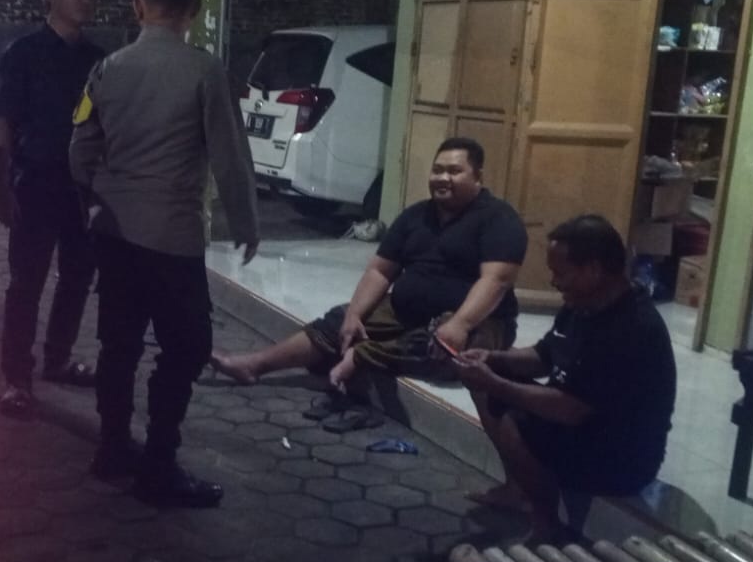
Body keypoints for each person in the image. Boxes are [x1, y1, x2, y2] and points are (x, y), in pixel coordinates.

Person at [69, 0, 259, 508]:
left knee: (119, 343)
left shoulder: (106, 69)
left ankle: (111, 448)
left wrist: (96, 201)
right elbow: (230, 157)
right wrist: (245, 222)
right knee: (187, 346)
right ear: (193, 9)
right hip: (173, 238)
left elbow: (79, 150)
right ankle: (158, 464)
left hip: (114, 234)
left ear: (138, 5)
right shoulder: (205, 71)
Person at [210, 138, 526, 409]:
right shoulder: (416, 215)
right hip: (405, 312)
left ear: (477, 176)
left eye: (454, 171)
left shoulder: (498, 218)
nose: (443, 178)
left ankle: (360, 357)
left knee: (442, 346)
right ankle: (254, 365)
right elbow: (380, 271)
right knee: (340, 321)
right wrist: (355, 314)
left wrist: (460, 323)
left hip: (476, 321)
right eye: (437, 170)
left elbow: (496, 280)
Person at [455, 215, 676, 543]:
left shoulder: (631, 328)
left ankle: (547, 525)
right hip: (586, 427)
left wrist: (496, 384)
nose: (554, 282)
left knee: (513, 412)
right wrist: (493, 358)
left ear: (593, 270)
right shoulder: (583, 304)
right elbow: (545, 356)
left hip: (622, 457)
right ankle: (518, 490)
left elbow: (571, 409)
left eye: (561, 273)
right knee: (492, 379)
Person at [0, 0, 105, 419]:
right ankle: (16, 378)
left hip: (82, 190)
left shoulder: (98, 61)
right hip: (35, 184)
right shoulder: (24, 54)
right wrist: (2, 189)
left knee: (77, 278)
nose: (87, 0)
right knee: (26, 283)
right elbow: (3, 126)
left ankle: (57, 360)